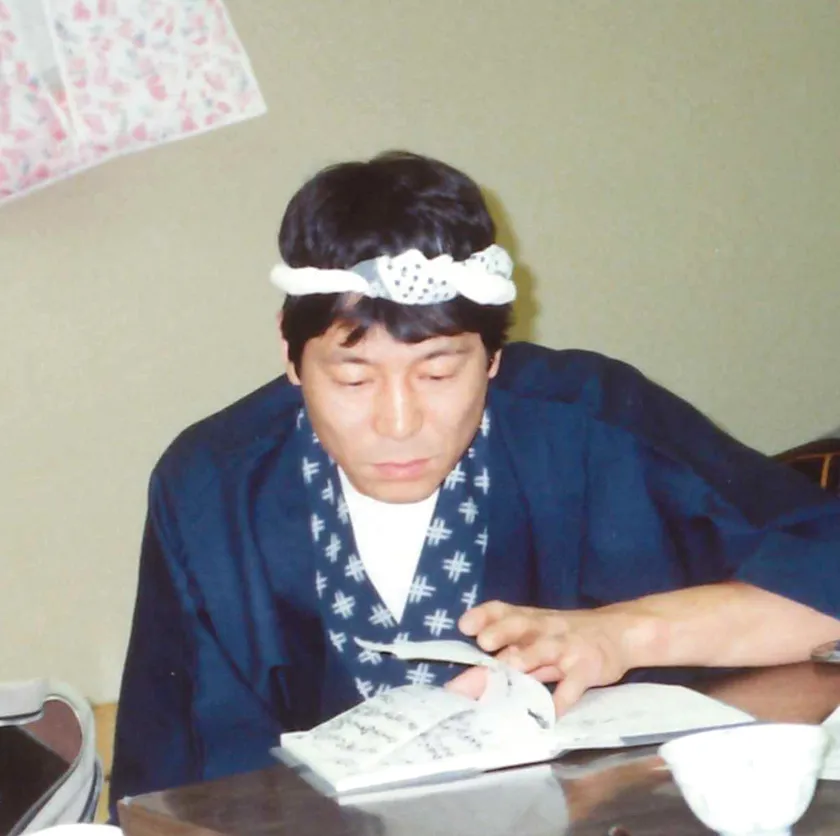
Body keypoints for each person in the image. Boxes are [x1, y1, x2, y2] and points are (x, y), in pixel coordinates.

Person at [109, 151, 840, 811]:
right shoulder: (211, 488)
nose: (399, 423)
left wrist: (621, 634)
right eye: (354, 377)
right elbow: (175, 782)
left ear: (493, 354)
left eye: (438, 372)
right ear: (289, 351)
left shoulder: (594, 426)